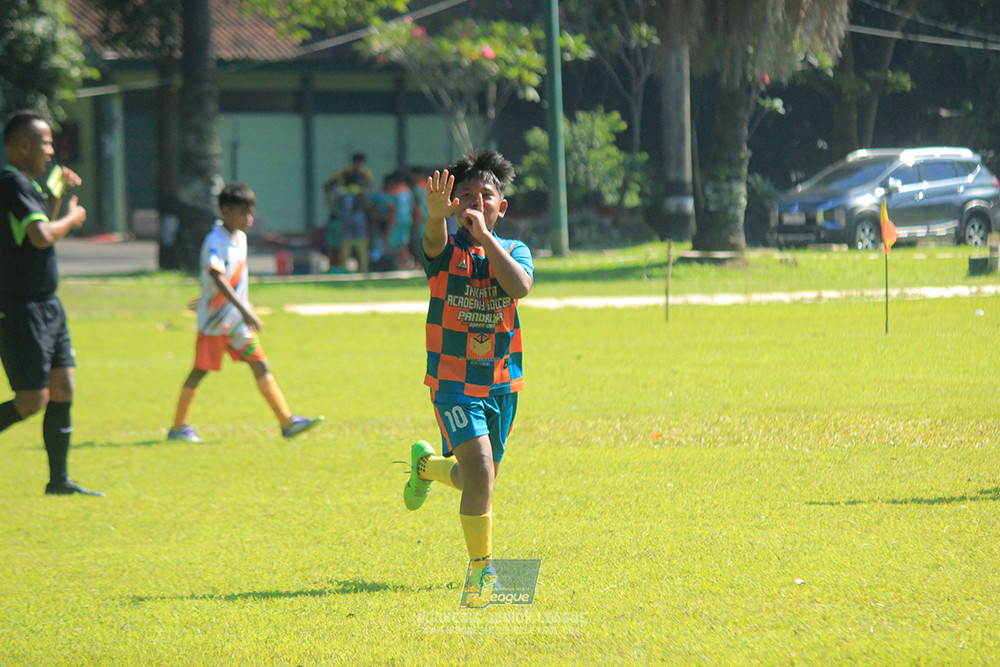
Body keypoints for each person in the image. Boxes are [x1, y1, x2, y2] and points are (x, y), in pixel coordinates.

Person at [400, 150, 533, 607]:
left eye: (486, 195)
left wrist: (487, 240)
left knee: (480, 479)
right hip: (452, 379)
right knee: (479, 472)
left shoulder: (514, 251)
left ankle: (427, 466)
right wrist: (435, 219)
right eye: (467, 197)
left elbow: (518, 287)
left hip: (501, 381)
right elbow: (433, 241)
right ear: (453, 204)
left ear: (502, 206)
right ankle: (483, 576)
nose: (476, 203)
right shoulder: (445, 250)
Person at [168, 183, 322, 442]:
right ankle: (177, 428)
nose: (249, 219)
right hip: (216, 323)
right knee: (200, 370)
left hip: (237, 322)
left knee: (260, 364)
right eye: (243, 213)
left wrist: (237, 308)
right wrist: (244, 310)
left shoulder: (240, 239)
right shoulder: (215, 241)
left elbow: (228, 280)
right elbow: (217, 277)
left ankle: (286, 422)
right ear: (226, 211)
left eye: (251, 213)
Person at [0, 110, 102, 496]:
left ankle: (59, 481)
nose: (51, 151)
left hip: (48, 305)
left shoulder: (28, 185)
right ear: (23, 145)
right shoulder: (11, 183)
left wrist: (56, 199)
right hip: (20, 306)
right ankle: (58, 480)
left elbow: (34, 237)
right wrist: (74, 218)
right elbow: (42, 236)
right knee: (30, 401)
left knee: (63, 388)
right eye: (44, 143)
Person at [323, 153, 374, 273]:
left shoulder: (343, 190)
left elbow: (329, 194)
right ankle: (362, 267)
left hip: (346, 217)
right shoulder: (352, 180)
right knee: (359, 241)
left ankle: (346, 267)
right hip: (357, 217)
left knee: (347, 242)